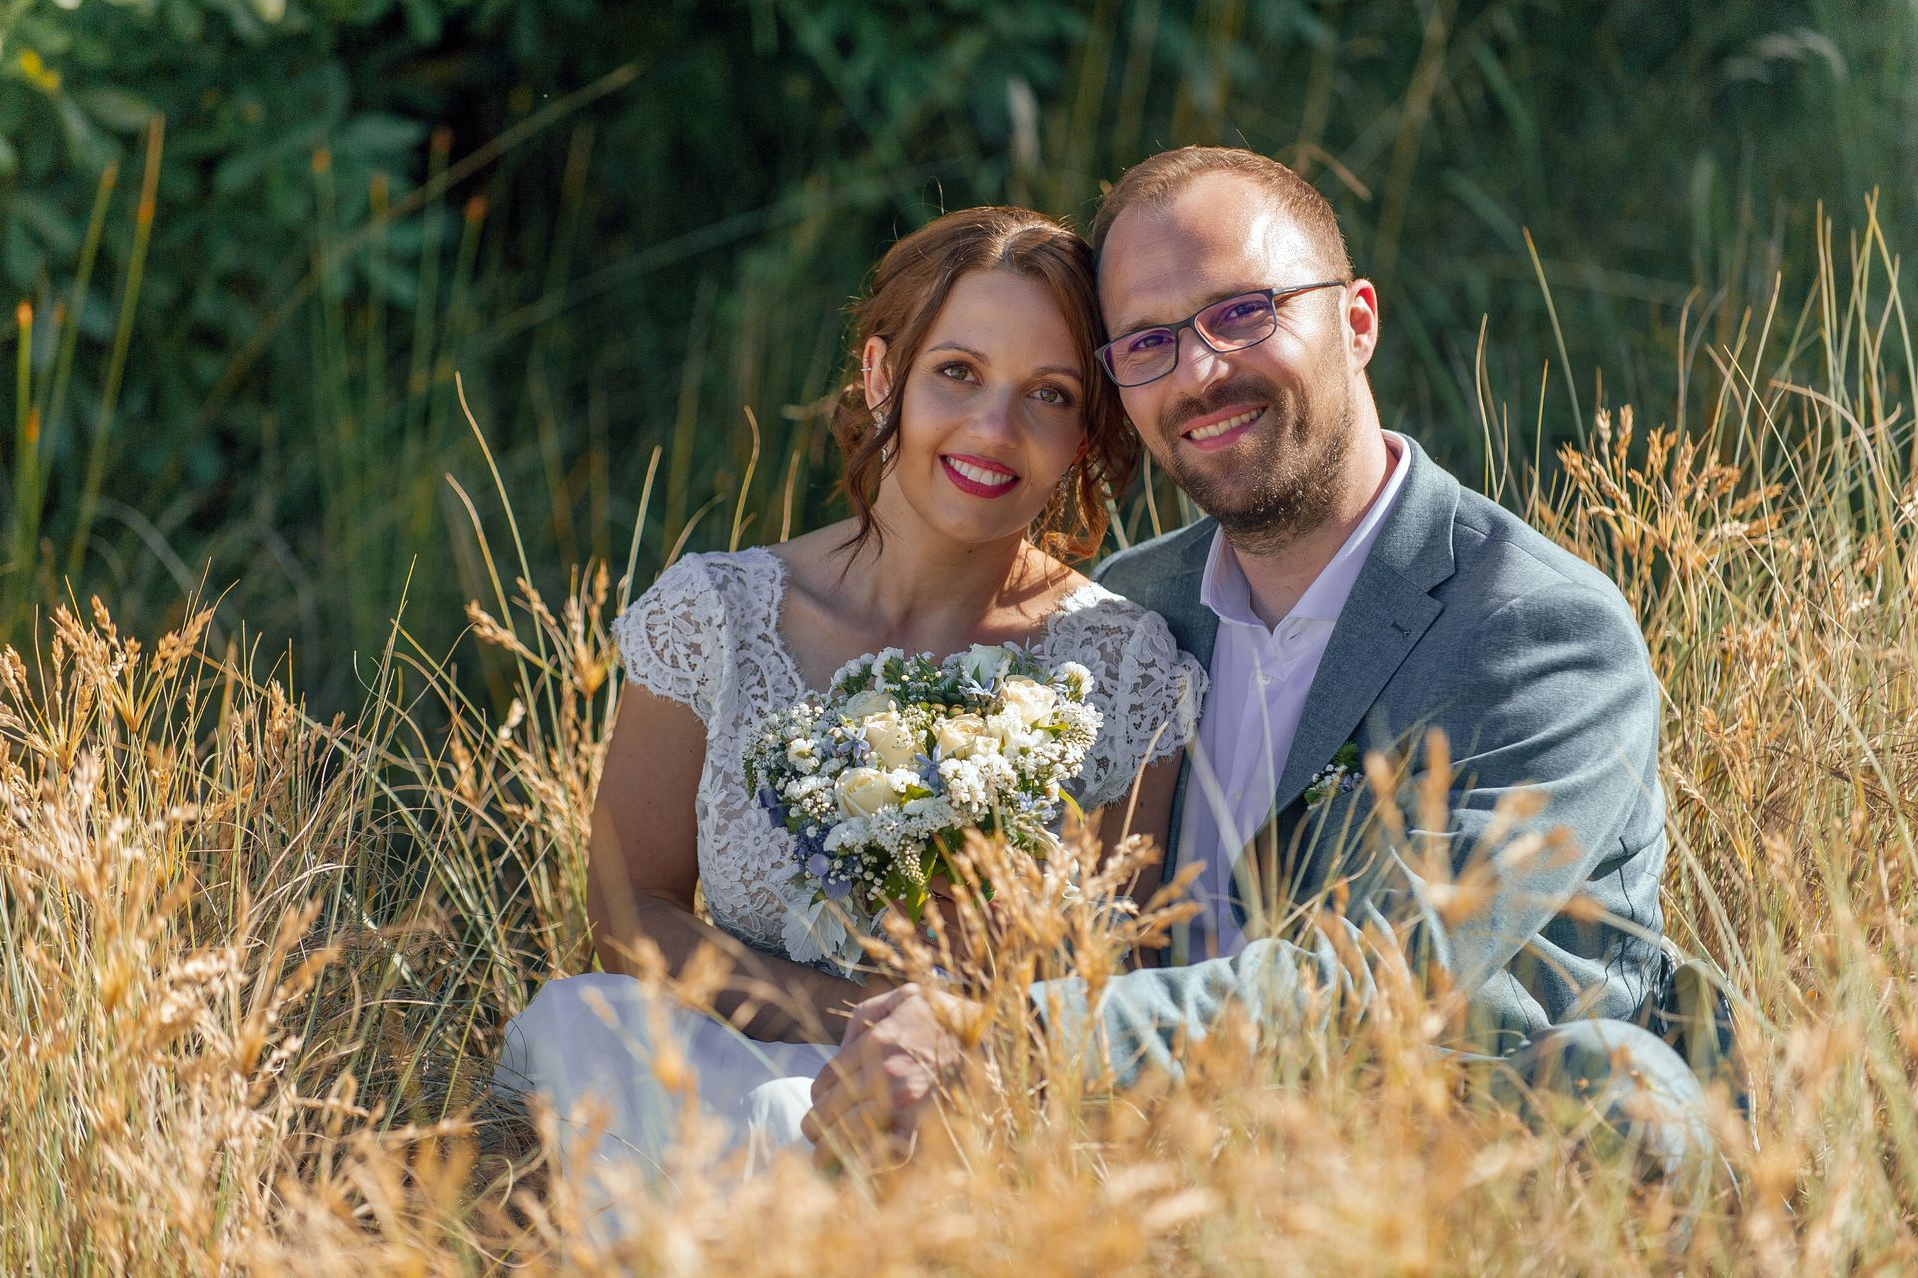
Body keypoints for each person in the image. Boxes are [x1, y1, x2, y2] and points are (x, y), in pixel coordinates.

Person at [807, 147, 1716, 1190]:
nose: (1199, 371)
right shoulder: (1130, 612)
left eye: (1242, 312)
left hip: (1458, 1169)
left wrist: (1014, 1038)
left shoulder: (1535, 629)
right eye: (1148, 342)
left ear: (1357, 320)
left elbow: (1377, 979)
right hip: (1148, 1169)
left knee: (1619, 1091)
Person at [493, 206, 1208, 1211]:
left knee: (800, 1136)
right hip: (714, 1064)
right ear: (882, 378)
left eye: (1047, 395)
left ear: (1086, 432)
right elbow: (627, 909)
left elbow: (1113, 968)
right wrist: (843, 1019)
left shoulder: (1123, 665)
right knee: (588, 1023)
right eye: (956, 372)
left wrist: (955, 1027)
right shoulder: (720, 613)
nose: (992, 430)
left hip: (959, 1116)